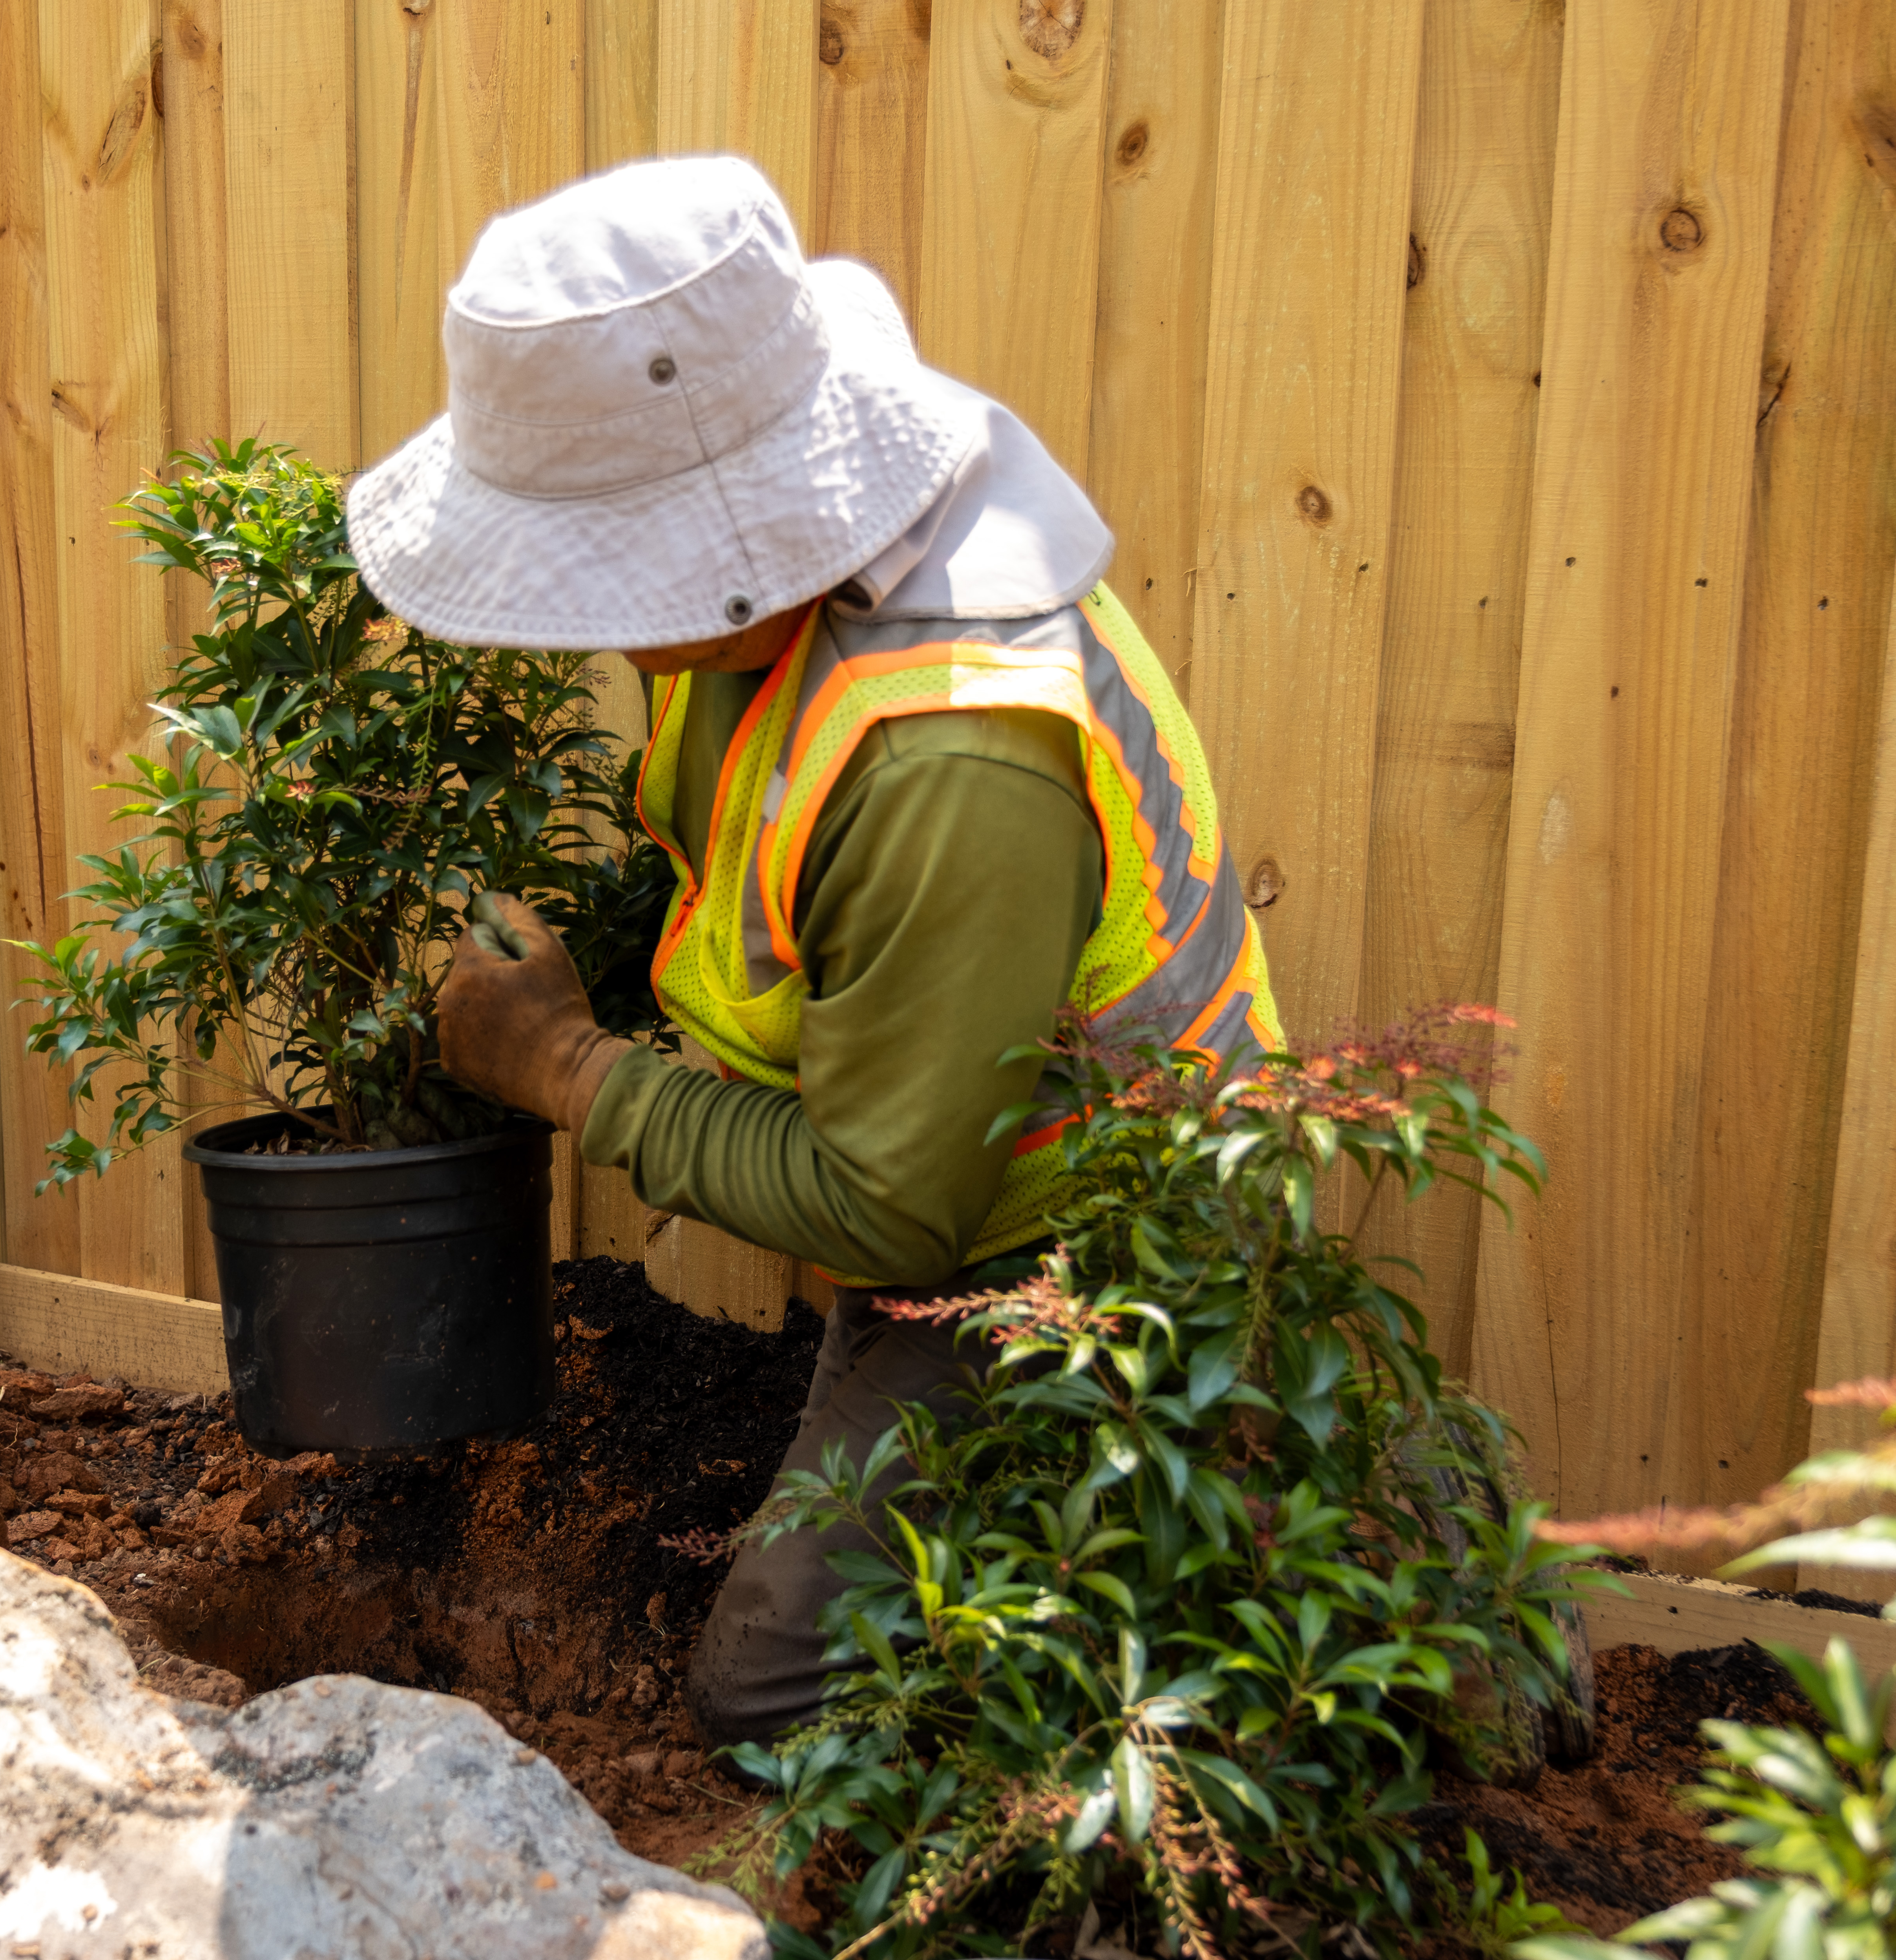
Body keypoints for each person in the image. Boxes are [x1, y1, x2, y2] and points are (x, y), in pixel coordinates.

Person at [346, 157, 1283, 1744]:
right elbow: (756, 883)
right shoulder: (771, 597)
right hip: (938, 1143)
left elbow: (892, 1212)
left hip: (1077, 1250)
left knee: (775, 1701)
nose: (593, 620)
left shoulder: (951, 765)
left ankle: (1282, 1497)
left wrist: (564, 1064)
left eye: (603, 562)